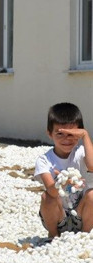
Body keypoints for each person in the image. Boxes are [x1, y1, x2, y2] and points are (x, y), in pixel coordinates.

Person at [33, 102, 93, 238]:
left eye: (72, 134)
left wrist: (86, 135)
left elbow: (92, 166)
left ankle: (85, 235)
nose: (66, 139)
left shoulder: (82, 152)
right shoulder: (44, 160)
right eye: (60, 134)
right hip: (59, 216)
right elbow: (51, 191)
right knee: (46, 197)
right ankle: (53, 235)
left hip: (81, 214)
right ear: (49, 134)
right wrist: (62, 183)